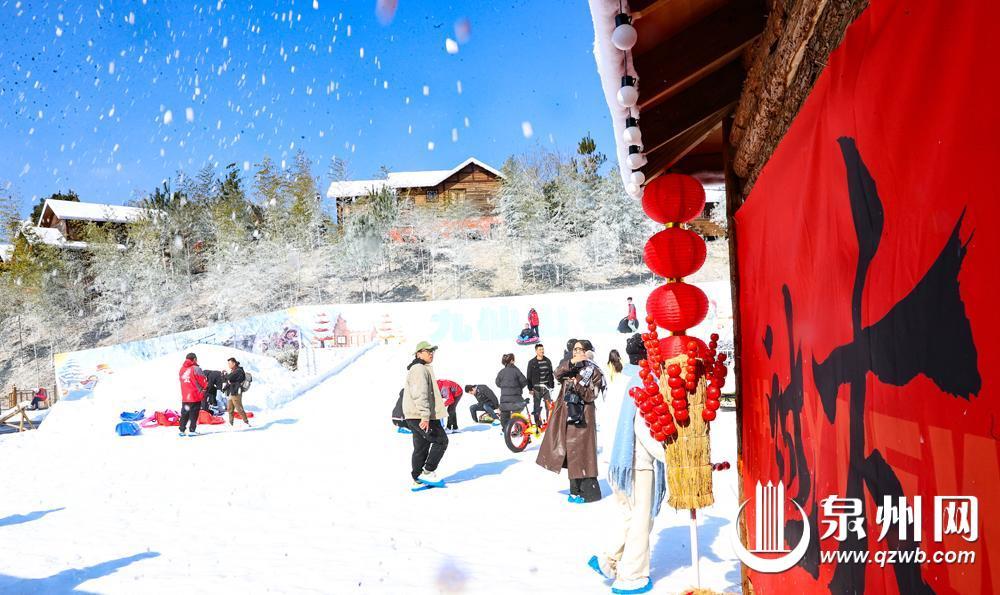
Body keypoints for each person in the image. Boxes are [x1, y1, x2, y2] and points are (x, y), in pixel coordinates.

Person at [588, 377, 668, 595]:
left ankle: (609, 559)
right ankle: (632, 576)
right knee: (641, 521)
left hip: (619, 463)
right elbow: (646, 431)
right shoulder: (646, 384)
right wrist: (670, 455)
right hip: (637, 466)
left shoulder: (627, 382)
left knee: (632, 518)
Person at [536, 339, 606, 503]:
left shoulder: (594, 370)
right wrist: (571, 363)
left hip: (583, 417)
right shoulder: (570, 366)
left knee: (582, 453)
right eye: (575, 349)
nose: (576, 352)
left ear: (587, 352)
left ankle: (588, 493)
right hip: (565, 415)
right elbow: (557, 374)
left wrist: (577, 385)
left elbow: (592, 395)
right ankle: (574, 490)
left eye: (580, 349)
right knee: (570, 451)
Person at [402, 341, 448, 488]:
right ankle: (427, 472)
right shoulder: (419, 369)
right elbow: (420, 394)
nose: (431, 353)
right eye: (428, 351)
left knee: (421, 447)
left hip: (414, 415)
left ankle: (417, 479)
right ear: (418, 354)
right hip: (420, 415)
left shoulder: (420, 368)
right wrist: (425, 416)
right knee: (441, 441)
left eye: (432, 351)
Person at [178, 352, 208, 436]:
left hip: (185, 396)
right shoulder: (196, 368)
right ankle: (192, 431)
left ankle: (182, 430)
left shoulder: (181, 369)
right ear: (194, 359)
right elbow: (203, 381)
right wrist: (204, 389)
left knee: (184, 413)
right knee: (194, 414)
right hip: (195, 395)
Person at [495, 353, 528, 430]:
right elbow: (524, 381)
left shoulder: (501, 372)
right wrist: (518, 388)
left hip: (504, 400)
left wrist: (505, 387)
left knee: (504, 415)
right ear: (512, 361)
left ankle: (506, 431)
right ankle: (518, 430)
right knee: (516, 415)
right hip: (516, 399)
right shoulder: (516, 371)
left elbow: (497, 383)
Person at [525, 343, 554, 426]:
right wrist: (530, 388)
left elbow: (551, 374)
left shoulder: (547, 361)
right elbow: (529, 376)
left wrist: (552, 386)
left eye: (542, 349)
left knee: (548, 406)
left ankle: (549, 422)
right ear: (536, 351)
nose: (542, 351)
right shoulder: (532, 362)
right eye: (540, 349)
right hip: (537, 388)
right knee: (536, 406)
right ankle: (537, 422)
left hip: (546, 387)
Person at [223, 357, 250, 427]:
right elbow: (228, 380)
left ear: (234, 363)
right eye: (228, 364)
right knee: (230, 408)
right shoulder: (234, 370)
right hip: (232, 391)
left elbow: (229, 377)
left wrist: (225, 374)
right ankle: (230, 423)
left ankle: (246, 422)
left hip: (236, 392)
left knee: (238, 407)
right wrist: (225, 388)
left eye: (230, 363)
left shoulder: (238, 371)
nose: (228, 365)